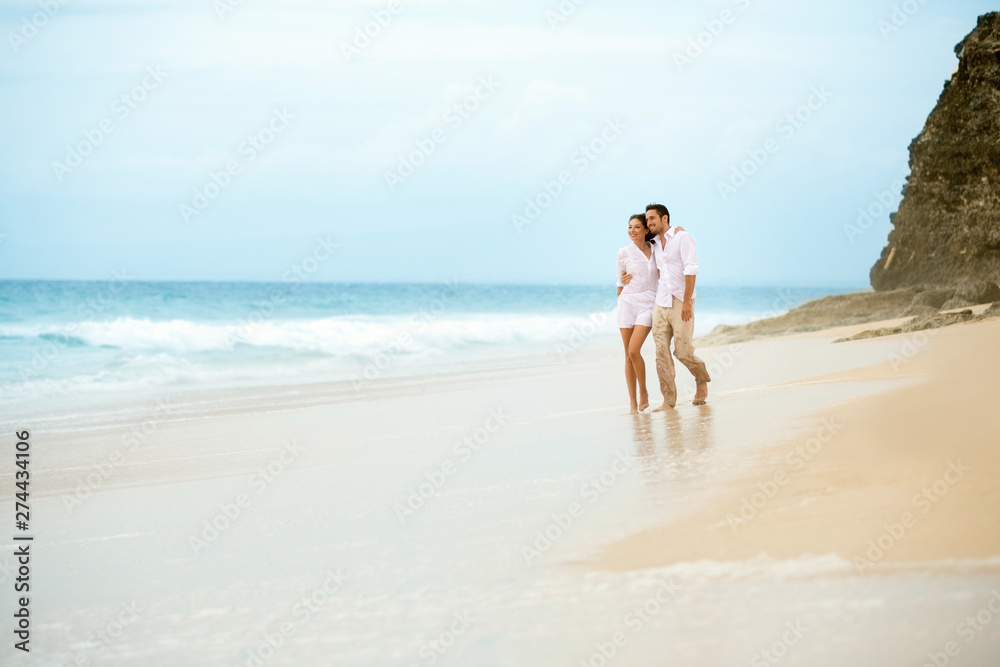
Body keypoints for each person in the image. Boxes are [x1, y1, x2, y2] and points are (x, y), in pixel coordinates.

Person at [644, 203, 711, 409]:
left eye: (652, 218)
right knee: (661, 353)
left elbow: (691, 269)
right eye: (647, 220)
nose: (649, 223)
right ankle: (668, 400)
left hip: (682, 301)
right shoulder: (653, 243)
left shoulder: (683, 238)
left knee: (683, 351)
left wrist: (687, 301)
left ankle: (700, 378)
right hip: (660, 302)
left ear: (665, 218)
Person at [616, 214, 658, 413]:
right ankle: (632, 402)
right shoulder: (624, 252)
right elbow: (619, 284)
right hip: (627, 303)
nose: (632, 230)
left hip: (649, 303)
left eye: (637, 227)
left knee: (634, 351)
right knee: (628, 355)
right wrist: (621, 297)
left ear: (646, 230)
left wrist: (679, 229)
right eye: (629, 227)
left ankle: (644, 392)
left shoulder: (657, 249)